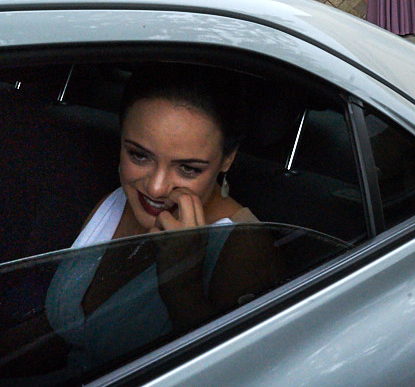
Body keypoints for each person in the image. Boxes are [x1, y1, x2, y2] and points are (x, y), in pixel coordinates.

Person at [43, 67, 272, 374]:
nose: (156, 187)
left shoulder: (242, 246)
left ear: (227, 159)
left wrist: (181, 285)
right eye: (139, 156)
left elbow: (236, 376)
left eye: (188, 169)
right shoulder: (112, 204)